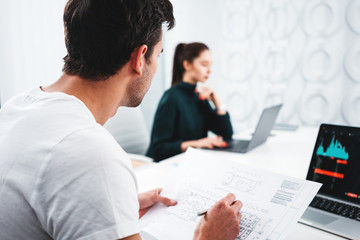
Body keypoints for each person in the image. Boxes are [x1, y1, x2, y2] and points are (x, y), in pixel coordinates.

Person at [0, 0, 242, 240]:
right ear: (140, 58)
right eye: (158, 55)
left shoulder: (16, 106)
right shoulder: (91, 155)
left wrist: (112, 209)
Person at [147, 42, 233, 162]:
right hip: (166, 167)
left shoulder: (199, 97)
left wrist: (217, 103)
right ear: (187, 65)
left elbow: (227, 133)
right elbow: (159, 149)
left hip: (191, 163)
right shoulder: (171, 98)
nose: (209, 70)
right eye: (204, 64)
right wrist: (197, 143)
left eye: (210, 65)